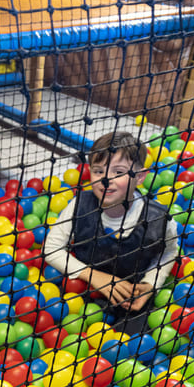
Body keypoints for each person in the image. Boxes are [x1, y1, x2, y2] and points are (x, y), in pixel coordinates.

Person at [44, 131, 178, 335]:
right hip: (83, 291)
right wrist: (94, 276)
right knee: (53, 326)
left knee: (135, 344)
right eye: (98, 171)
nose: (106, 180)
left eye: (118, 172)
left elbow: (169, 252)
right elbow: (51, 248)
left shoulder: (158, 218)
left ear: (140, 177)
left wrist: (150, 284)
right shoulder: (80, 204)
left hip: (130, 300)